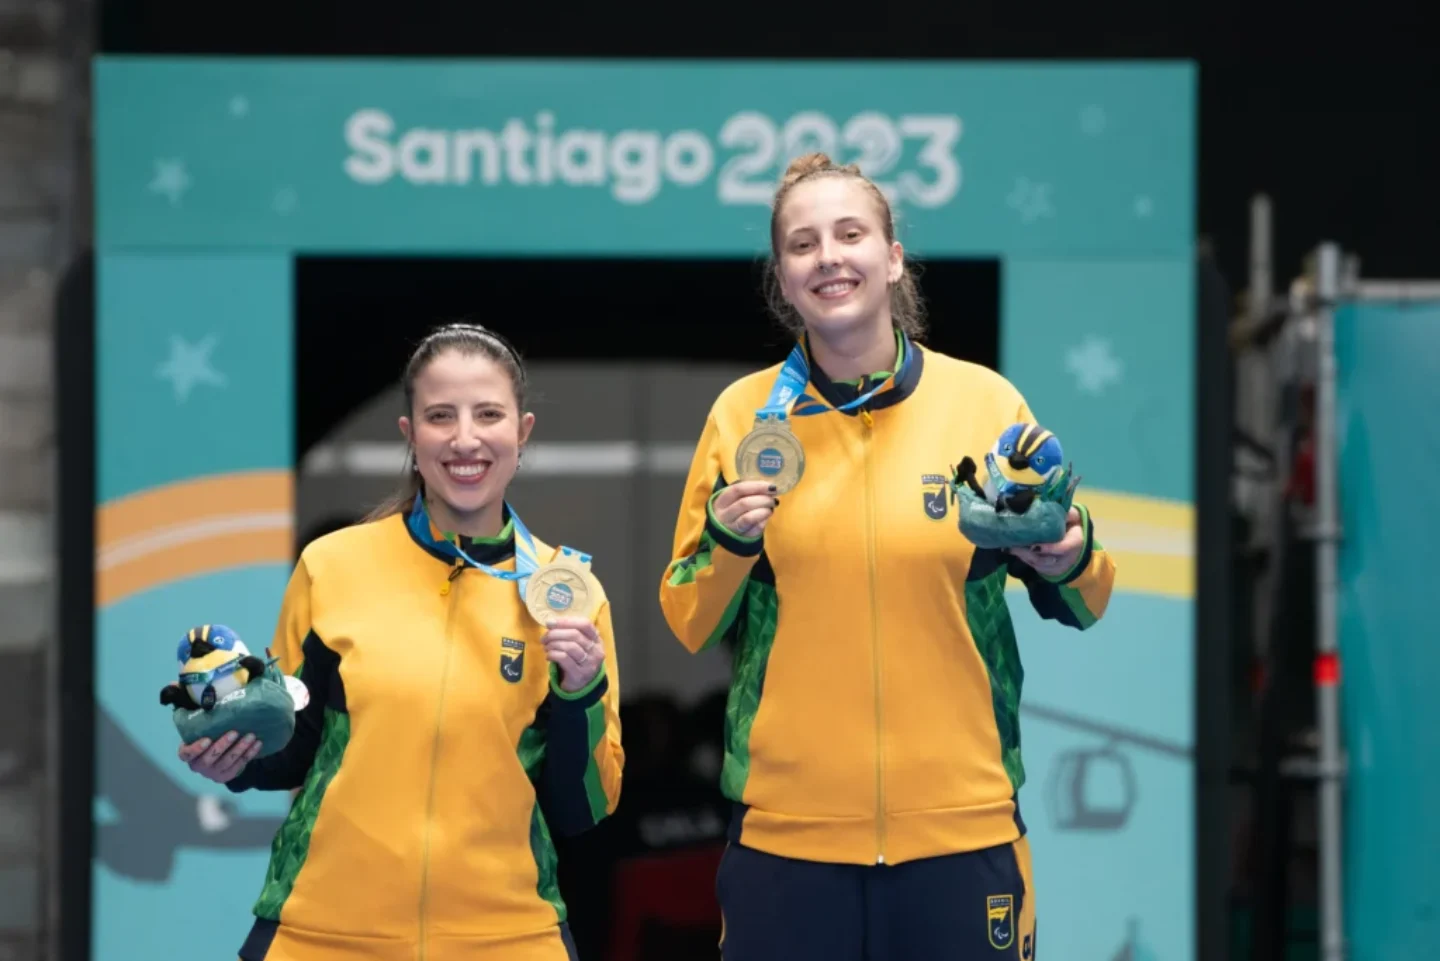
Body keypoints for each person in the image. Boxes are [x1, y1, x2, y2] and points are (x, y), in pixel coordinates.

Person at [658, 153, 1117, 961]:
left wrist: (1064, 555)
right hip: (788, 842)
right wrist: (732, 536)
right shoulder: (742, 417)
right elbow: (690, 616)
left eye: (850, 234)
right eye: (803, 244)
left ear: (893, 255)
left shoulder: (983, 402)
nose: (829, 256)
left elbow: (1089, 595)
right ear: (782, 276)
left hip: (962, 831)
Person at [177, 322, 625, 961]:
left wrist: (581, 691)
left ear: (521, 434)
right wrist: (237, 758)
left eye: (488, 414)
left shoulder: (569, 593)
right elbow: (295, 745)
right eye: (440, 416)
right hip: (322, 933)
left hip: (506, 938)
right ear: (411, 437)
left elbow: (581, 809)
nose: (465, 438)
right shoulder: (332, 567)